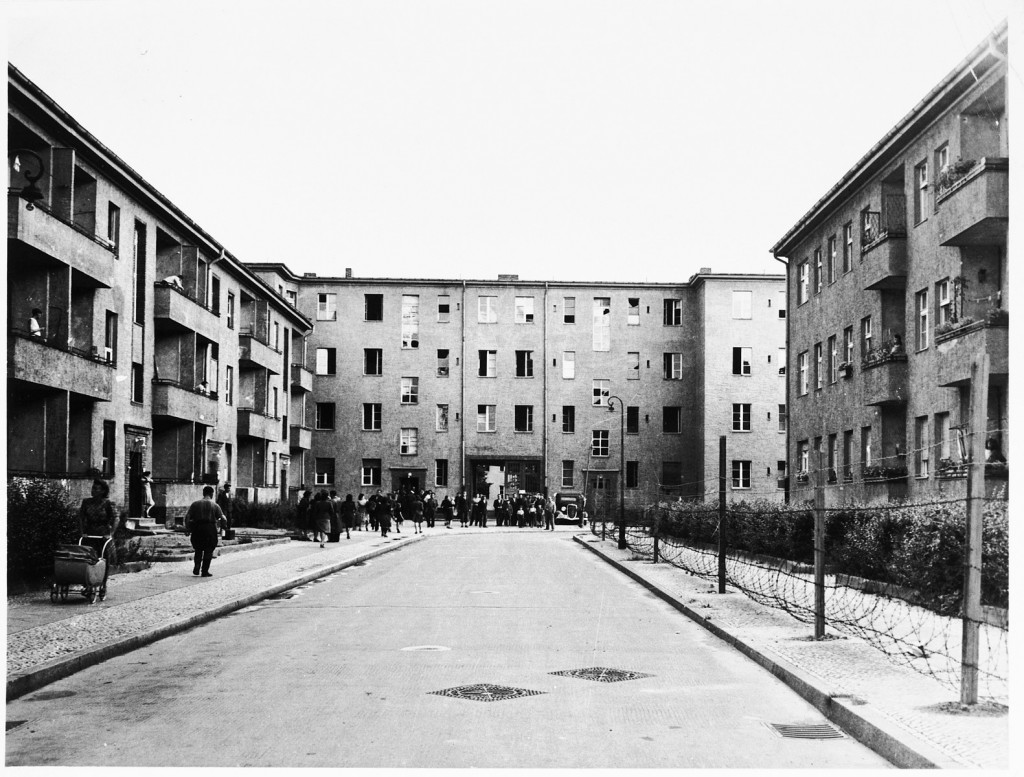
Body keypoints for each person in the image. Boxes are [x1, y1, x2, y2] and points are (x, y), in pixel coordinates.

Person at [78, 478, 117, 593]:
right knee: (88, 559)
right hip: (89, 533)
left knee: (103, 560)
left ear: (103, 491)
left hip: (103, 534)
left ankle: (103, 584)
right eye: (93, 488)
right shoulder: (86, 502)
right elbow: (81, 517)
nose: (93, 491)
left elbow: (116, 518)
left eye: (96, 489)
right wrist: (82, 532)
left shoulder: (108, 503)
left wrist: (110, 534)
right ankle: (87, 584)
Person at [184, 485, 226, 577]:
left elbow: (187, 516)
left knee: (198, 549)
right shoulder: (215, 505)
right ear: (212, 494)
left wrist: (187, 528)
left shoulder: (195, 504)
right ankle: (204, 571)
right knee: (208, 550)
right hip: (210, 529)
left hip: (197, 528)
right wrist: (223, 528)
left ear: (203, 493)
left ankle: (197, 566)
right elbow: (223, 518)